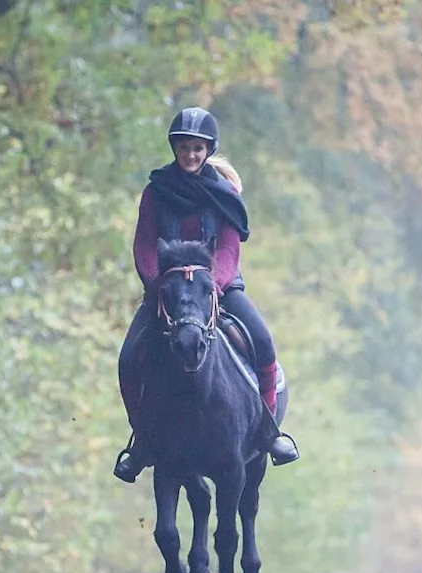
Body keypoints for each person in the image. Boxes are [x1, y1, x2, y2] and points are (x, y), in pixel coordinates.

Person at [113, 106, 300, 484]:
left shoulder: (224, 193)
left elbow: (229, 249)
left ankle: (268, 432)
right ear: (175, 148)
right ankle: (142, 441)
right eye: (184, 147)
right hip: (167, 293)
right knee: (129, 357)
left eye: (198, 148)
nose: (191, 155)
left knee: (262, 342)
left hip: (217, 289)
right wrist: (159, 284)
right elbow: (145, 244)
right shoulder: (155, 191)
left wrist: (210, 287)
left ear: (208, 149)